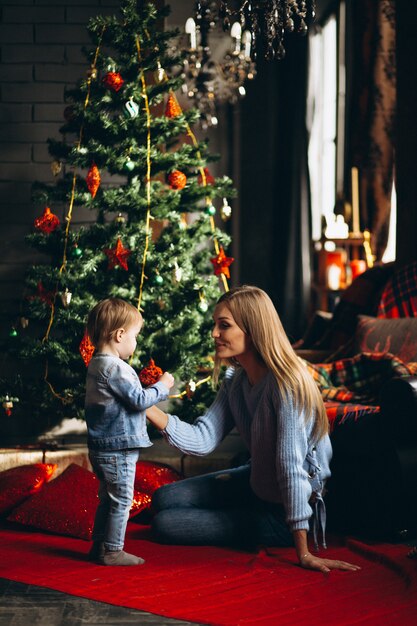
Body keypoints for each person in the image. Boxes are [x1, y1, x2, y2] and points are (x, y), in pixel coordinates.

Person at [145, 285, 360, 574]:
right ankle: (237, 515)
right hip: (256, 480)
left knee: (165, 525)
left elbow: (291, 470)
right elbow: (203, 438)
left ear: (253, 328)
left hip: (285, 510)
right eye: (215, 325)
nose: (214, 334)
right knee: (163, 499)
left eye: (224, 326)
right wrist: (145, 406)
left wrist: (304, 552)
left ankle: (253, 522)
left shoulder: (286, 385)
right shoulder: (236, 379)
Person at [85, 297, 174, 566]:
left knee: (107, 499)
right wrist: (162, 386)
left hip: (102, 447)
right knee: (122, 499)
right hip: (117, 449)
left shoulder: (97, 364)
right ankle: (112, 550)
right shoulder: (115, 368)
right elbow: (137, 399)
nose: (135, 343)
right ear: (120, 334)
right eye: (135, 336)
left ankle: (99, 545)